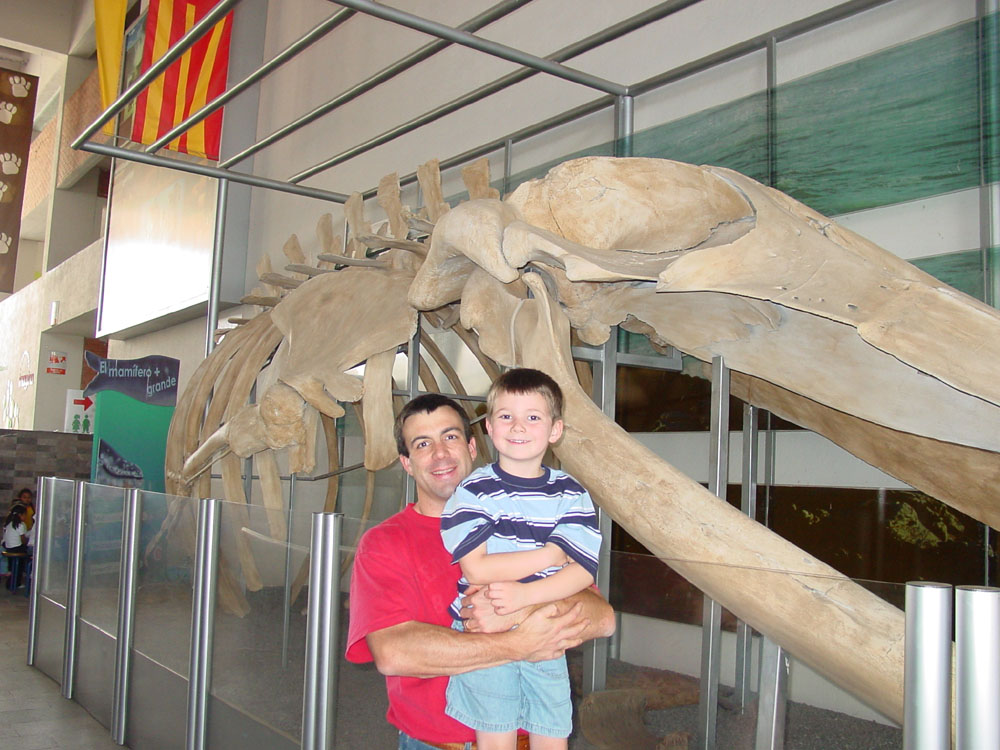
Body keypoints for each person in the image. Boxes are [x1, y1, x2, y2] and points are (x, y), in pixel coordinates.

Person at [346, 392, 615, 750]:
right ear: (407, 463)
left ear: (473, 447)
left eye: (451, 436)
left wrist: (520, 606)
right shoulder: (383, 544)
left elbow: (601, 618)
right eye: (423, 443)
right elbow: (395, 653)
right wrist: (518, 642)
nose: (440, 453)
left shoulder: (531, 519)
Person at [441, 369, 600, 750]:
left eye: (533, 416)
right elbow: (476, 567)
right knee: (496, 734)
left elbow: (583, 572)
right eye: (506, 416)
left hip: (545, 628)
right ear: (490, 428)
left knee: (552, 727)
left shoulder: (572, 493)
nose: (518, 426)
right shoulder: (472, 490)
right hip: (487, 633)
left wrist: (525, 598)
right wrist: (551, 552)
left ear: (555, 429)